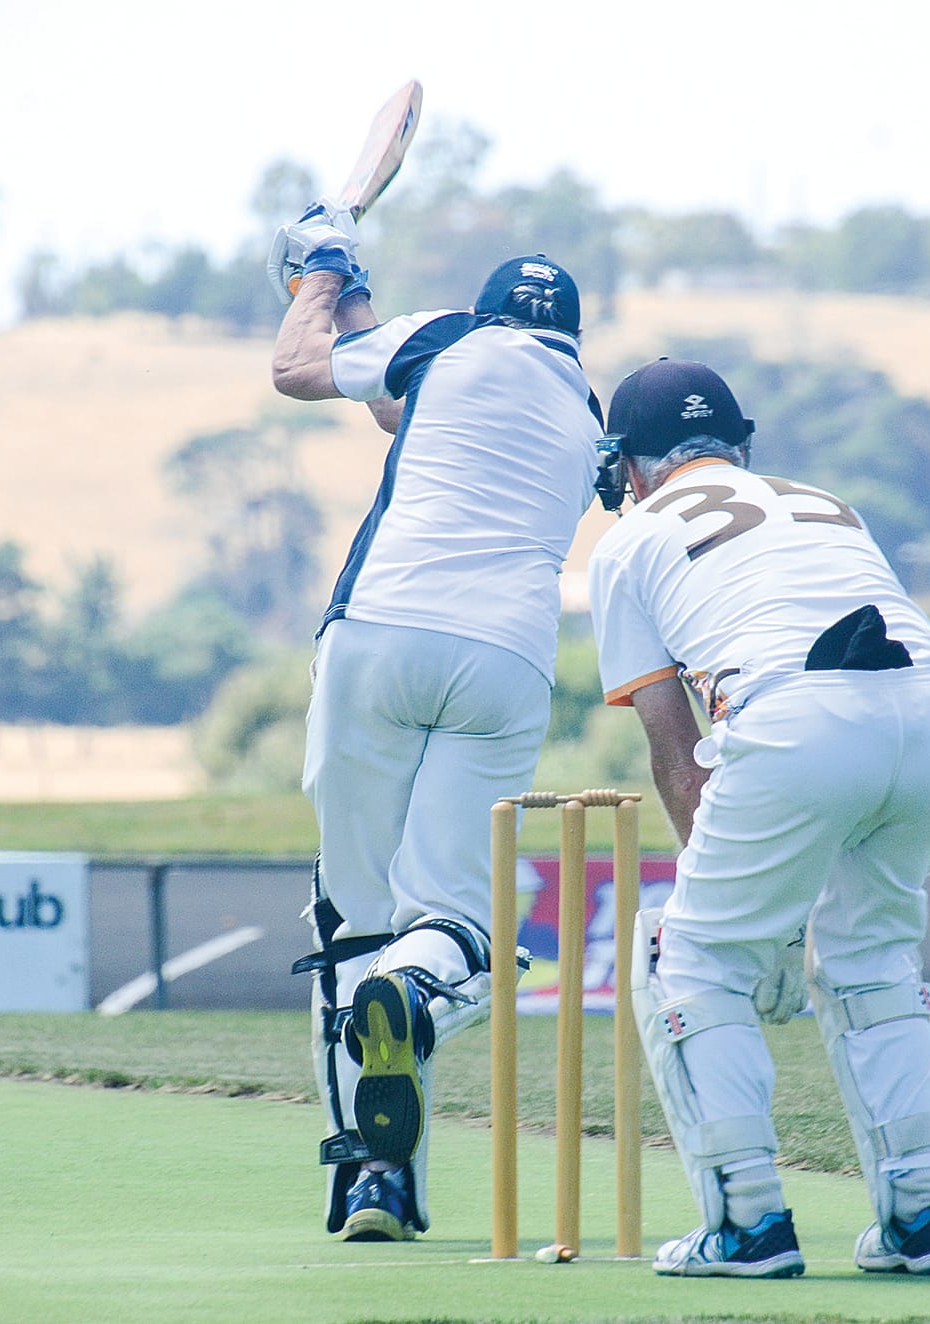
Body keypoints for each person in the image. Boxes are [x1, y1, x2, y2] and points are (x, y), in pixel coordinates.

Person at [586, 358, 930, 1279]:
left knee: (691, 958)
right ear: (739, 445)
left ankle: (747, 1222)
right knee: (874, 959)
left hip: (797, 714)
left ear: (629, 464)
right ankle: (923, 1216)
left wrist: (750, 933)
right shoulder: (825, 501)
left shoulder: (629, 540)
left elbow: (677, 750)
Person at [269, 207, 602, 1241]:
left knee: (353, 919)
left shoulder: (448, 335)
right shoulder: (584, 404)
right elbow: (395, 405)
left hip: (378, 633)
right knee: (452, 921)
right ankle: (414, 991)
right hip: (503, 659)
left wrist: (320, 274)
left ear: (485, 310)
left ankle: (373, 1179)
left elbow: (299, 371)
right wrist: (356, 293)